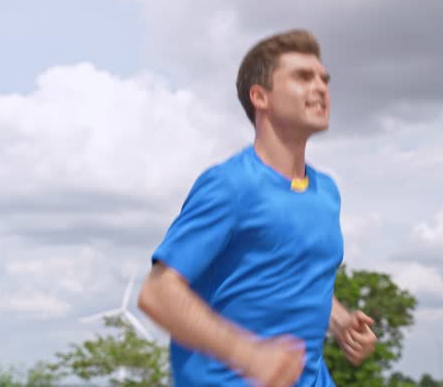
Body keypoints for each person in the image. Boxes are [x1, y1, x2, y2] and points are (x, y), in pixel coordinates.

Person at [138, 29, 377, 386]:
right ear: (260, 97)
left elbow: (297, 276)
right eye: (303, 77)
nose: (321, 88)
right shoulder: (231, 184)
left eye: (324, 79)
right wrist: (248, 355)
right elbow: (157, 293)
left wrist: (341, 323)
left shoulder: (326, 191)